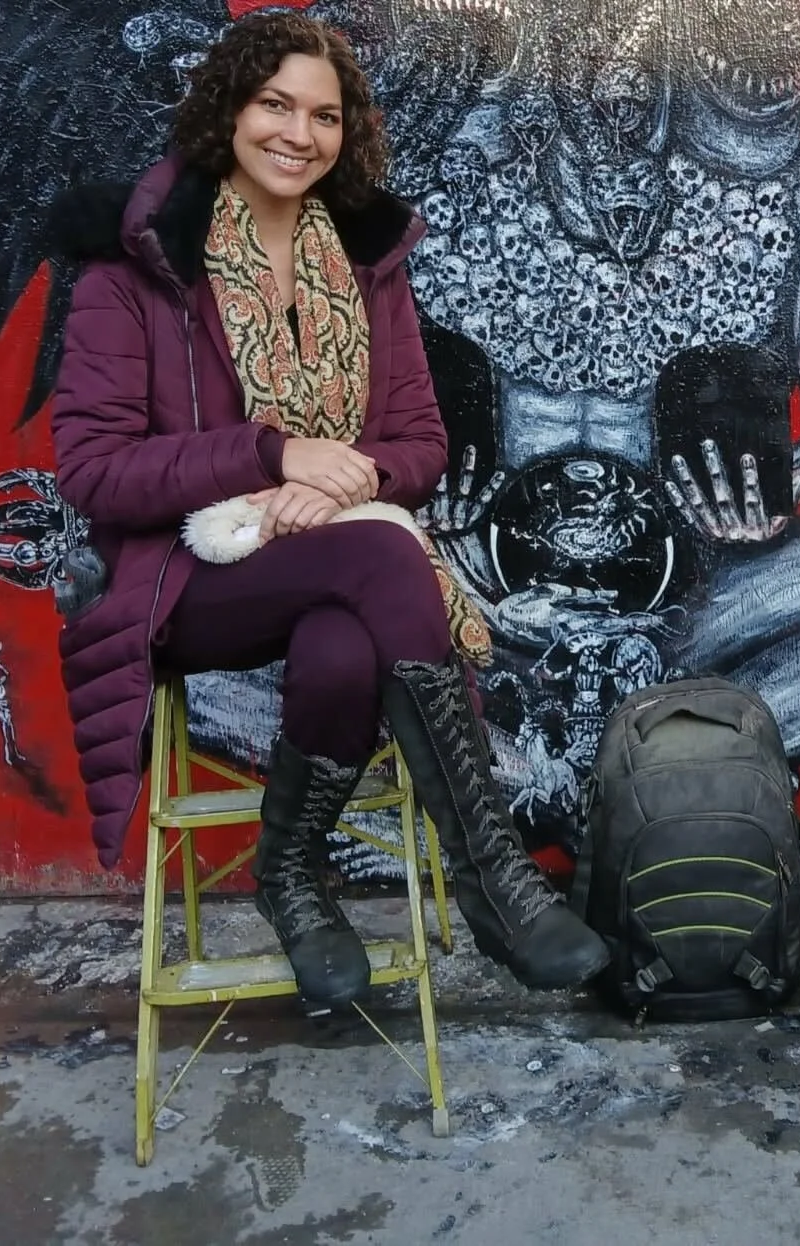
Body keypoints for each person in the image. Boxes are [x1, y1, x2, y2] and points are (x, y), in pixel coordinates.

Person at [49, 11, 609, 1013]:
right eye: (276, 105)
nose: (298, 135)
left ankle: (291, 876)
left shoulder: (365, 259)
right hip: (184, 579)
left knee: (346, 649)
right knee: (386, 564)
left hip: (333, 558)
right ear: (229, 109)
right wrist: (270, 454)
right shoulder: (135, 267)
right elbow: (95, 472)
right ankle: (495, 877)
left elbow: (419, 445)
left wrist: (335, 483)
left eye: (324, 115)